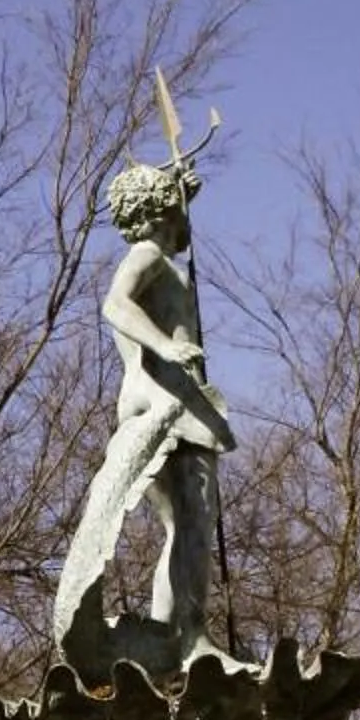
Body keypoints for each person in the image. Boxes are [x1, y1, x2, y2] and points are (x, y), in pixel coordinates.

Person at [54, 153, 239, 680]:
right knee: (194, 528)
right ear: (162, 211)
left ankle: (171, 641)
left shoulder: (158, 255)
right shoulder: (148, 254)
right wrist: (167, 346)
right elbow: (115, 304)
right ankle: (191, 639)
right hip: (170, 404)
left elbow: (171, 242)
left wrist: (178, 195)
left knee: (181, 528)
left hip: (152, 403)